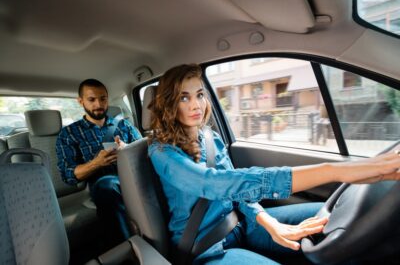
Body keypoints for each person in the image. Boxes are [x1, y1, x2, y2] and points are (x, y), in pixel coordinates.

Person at [147, 64, 400, 265]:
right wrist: (331, 171)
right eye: (184, 97)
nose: (196, 105)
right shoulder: (161, 151)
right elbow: (216, 184)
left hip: (241, 224)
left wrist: (269, 222)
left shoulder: (210, 137)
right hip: (206, 248)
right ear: (169, 103)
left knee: (337, 222)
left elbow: (239, 192)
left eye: (200, 94)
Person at [56, 78, 142, 247]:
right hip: (103, 184)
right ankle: (128, 249)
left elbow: (144, 151)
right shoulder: (69, 134)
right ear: (80, 101)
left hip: (134, 177)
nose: (99, 104)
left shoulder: (123, 125)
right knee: (107, 185)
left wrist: (128, 150)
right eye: (91, 99)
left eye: (103, 98)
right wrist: (96, 163)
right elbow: (68, 175)